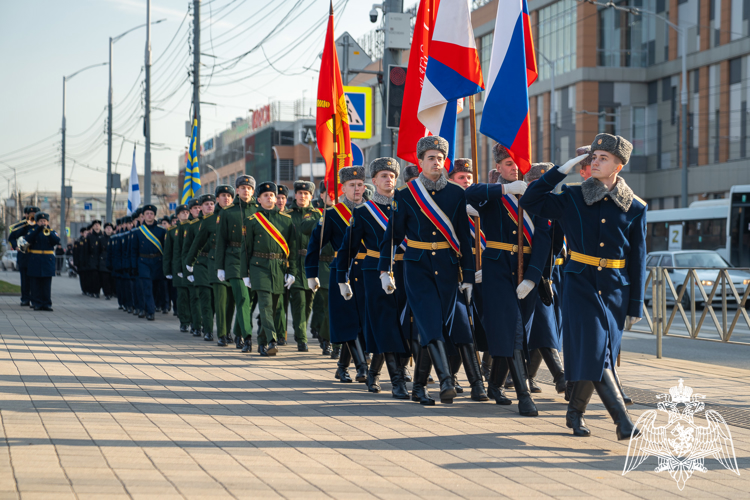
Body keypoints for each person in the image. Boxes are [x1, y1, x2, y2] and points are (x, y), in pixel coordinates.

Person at [521, 133, 646, 440]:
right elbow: (531, 200)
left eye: (603, 157)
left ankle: (574, 414)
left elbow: (639, 257)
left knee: (599, 354)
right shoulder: (573, 196)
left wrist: (635, 304)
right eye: (594, 156)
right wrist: (559, 170)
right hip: (580, 285)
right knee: (595, 350)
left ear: (619, 164)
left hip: (616, 290)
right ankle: (623, 422)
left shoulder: (636, 207)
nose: (595, 161)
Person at [378, 136, 475, 405]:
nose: (436, 162)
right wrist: (385, 270)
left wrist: (468, 276)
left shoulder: (457, 193)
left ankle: (419, 387)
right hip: (416, 266)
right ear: (420, 162)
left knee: (433, 326)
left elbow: (464, 240)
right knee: (430, 322)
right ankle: (446, 380)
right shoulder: (406, 194)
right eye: (431, 158)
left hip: (446, 266)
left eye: (440, 158)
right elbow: (393, 235)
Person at [337, 158, 410, 399]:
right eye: (383, 176)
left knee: (401, 325)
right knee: (385, 323)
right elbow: (348, 247)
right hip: (374, 273)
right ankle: (397, 379)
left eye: (392, 175)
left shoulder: (406, 205)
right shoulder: (364, 211)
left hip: (404, 269)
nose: (388, 179)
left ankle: (373, 373)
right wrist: (341, 277)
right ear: (374, 181)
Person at [306, 166, 369, 383]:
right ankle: (362, 367)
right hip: (342, 272)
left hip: (367, 271)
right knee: (348, 320)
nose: (357, 189)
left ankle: (342, 366)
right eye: (352, 185)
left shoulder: (371, 211)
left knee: (361, 322)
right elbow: (314, 245)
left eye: (360, 185)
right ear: (342, 188)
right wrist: (311, 273)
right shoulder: (332, 215)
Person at [443, 158, 489, 402]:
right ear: (451, 180)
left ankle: (459, 375)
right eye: (461, 178)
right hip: (458, 273)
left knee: (477, 329)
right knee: (462, 327)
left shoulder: (482, 204)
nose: (466, 181)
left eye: (469, 178)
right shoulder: (446, 204)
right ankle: (470, 382)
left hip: (482, 274)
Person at [241, 182, 298, 355]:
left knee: (273, 308)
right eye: (265, 195)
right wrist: (245, 274)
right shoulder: (251, 221)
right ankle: (272, 341)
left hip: (279, 267)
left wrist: (292, 272)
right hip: (259, 266)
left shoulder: (287, 221)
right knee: (265, 305)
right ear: (258, 199)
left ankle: (261, 342)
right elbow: (246, 249)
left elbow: (293, 250)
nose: (269, 198)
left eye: (272, 195)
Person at [186, 186, 239, 346]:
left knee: (231, 301)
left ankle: (228, 331)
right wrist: (190, 262)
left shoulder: (238, 216)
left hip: (234, 262)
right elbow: (197, 243)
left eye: (229, 196)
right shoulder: (210, 220)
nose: (226, 199)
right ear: (218, 198)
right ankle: (221, 334)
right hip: (215, 263)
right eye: (223, 196)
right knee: (220, 300)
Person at [216, 175, 259, 352]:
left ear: (253, 191)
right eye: (242, 188)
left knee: (251, 301)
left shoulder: (259, 210)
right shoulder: (227, 212)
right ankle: (246, 337)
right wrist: (220, 267)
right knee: (242, 298)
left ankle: (237, 330)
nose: (246, 191)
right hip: (233, 259)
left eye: (249, 188)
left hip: (254, 260)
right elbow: (221, 241)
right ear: (238, 190)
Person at [279, 181, 320, 351]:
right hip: (294, 263)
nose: (303, 196)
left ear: (311, 196)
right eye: (300, 193)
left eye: (306, 194)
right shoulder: (287, 216)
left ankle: (300, 333)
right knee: (299, 303)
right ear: (294, 195)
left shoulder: (318, 215)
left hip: (312, 264)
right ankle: (302, 338)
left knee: (309, 303)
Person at [129, 204, 167, 321]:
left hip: (157, 262)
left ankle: (149, 306)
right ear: (143, 216)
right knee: (146, 287)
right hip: (143, 262)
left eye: (151, 214)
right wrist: (134, 266)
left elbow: (166, 249)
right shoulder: (137, 232)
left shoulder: (162, 231)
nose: (149, 215)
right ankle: (150, 312)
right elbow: (133, 250)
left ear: (154, 216)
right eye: (147, 214)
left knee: (155, 288)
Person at [24, 212, 60, 311]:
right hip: (35, 259)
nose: (43, 223)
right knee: (36, 284)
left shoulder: (52, 231)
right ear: (37, 222)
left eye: (44, 221)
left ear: (48, 222)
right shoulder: (32, 231)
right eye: (41, 221)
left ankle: (47, 303)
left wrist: (48, 232)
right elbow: (27, 239)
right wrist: (37, 230)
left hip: (47, 260)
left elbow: (57, 241)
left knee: (46, 284)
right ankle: (37, 303)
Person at [166, 205, 191, 331]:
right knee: (182, 297)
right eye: (182, 212)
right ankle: (184, 321)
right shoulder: (172, 231)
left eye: (187, 212)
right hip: (178, 268)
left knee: (193, 296)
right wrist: (168, 270)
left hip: (191, 268)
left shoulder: (193, 227)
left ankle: (194, 321)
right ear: (177, 215)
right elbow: (168, 252)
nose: (185, 214)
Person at [8, 205, 40, 306]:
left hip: (35, 255)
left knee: (35, 280)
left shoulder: (39, 225)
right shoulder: (20, 225)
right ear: (25, 214)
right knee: (25, 279)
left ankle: (34, 299)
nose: (32, 216)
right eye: (30, 214)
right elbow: (11, 237)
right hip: (24, 255)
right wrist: (15, 246)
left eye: (34, 214)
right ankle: (25, 298)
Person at [83, 220, 106, 298]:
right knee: (94, 277)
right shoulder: (89, 237)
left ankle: (98, 291)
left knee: (100, 277)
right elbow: (86, 250)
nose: (97, 226)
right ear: (92, 227)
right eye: (95, 225)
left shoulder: (103, 236)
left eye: (98, 225)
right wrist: (86, 261)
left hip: (101, 260)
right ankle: (94, 291)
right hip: (92, 260)